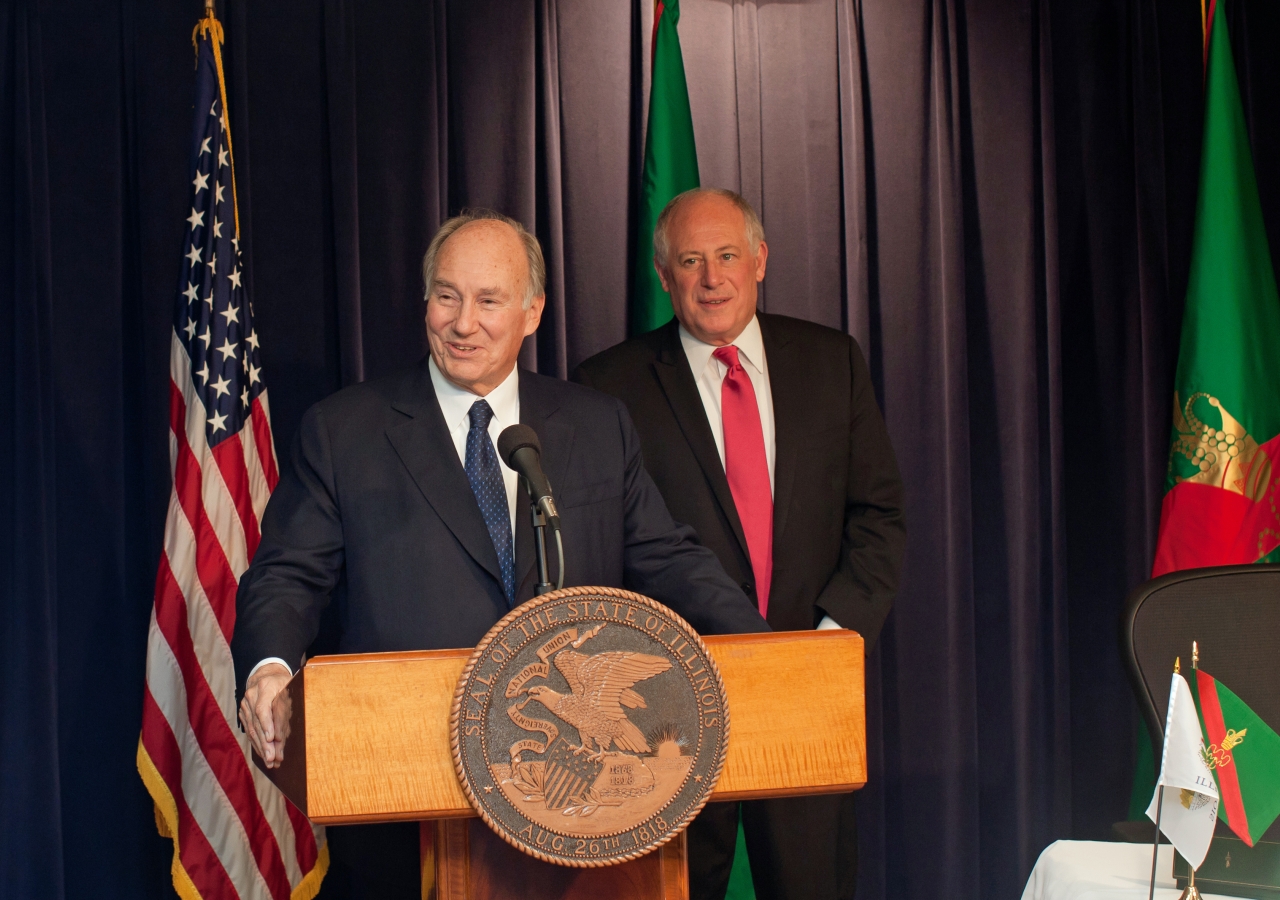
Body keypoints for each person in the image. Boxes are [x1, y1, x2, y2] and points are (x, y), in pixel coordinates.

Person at [232, 208, 768, 899]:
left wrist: (766, 654)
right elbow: (286, 575)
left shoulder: (595, 424)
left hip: (579, 811)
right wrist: (271, 666)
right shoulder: (347, 431)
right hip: (406, 798)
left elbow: (669, 559)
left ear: (533, 310)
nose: (463, 323)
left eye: (489, 300)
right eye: (447, 296)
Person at [574, 188, 906, 900]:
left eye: (727, 256)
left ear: (760, 260)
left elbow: (877, 517)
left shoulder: (831, 361)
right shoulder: (608, 388)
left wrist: (830, 641)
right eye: (690, 261)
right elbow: (599, 554)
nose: (711, 277)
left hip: (807, 686)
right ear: (664, 277)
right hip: (667, 709)